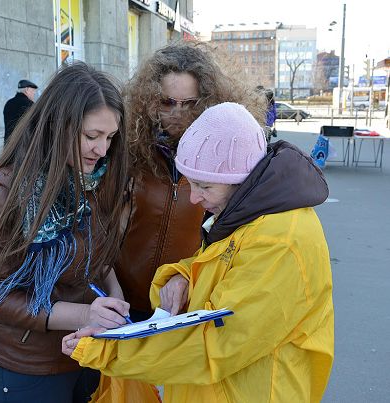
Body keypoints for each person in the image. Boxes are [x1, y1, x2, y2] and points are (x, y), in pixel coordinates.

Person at [62, 102, 334, 403]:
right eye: (191, 183)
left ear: (240, 178)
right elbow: (224, 266)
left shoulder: (281, 241)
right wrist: (181, 278)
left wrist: (107, 350)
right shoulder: (250, 210)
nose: (194, 197)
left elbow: (218, 344)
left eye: (204, 185)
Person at [0, 62, 131, 403]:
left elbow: (98, 259)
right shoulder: (4, 192)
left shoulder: (92, 180)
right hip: (26, 368)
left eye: (110, 137)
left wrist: (117, 305)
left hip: (85, 354)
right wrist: (87, 313)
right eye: (91, 136)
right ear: (56, 125)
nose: (102, 151)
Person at [115, 43, 266, 321]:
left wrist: (189, 278)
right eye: (167, 102)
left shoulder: (228, 162)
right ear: (149, 100)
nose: (178, 113)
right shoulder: (129, 152)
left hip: (188, 301)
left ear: (208, 100)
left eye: (190, 103)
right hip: (124, 298)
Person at [3, 79, 38, 144]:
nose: (34, 93)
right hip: (23, 147)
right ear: (27, 90)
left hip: (8, 146)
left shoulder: (8, 103)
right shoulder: (30, 104)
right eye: (33, 91)